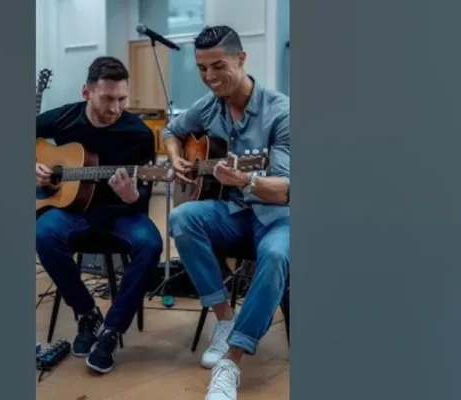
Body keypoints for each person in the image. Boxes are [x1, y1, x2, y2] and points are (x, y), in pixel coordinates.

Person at [161, 26, 290, 400]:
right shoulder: (209, 106)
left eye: (218, 66)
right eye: (202, 68)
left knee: (276, 254)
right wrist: (177, 159)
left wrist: (246, 180)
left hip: (279, 216)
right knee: (182, 218)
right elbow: (171, 131)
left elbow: (287, 187)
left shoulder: (281, 111)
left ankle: (230, 362)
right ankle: (224, 320)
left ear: (241, 59)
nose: (210, 77)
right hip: (234, 211)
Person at [35, 56, 162, 374]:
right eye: (107, 98)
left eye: (122, 99)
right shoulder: (65, 117)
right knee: (43, 233)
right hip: (74, 212)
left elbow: (142, 197)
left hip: (122, 215)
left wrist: (132, 195)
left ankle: (111, 331)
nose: (116, 108)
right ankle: (87, 314)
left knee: (150, 243)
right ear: (86, 93)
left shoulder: (139, 133)